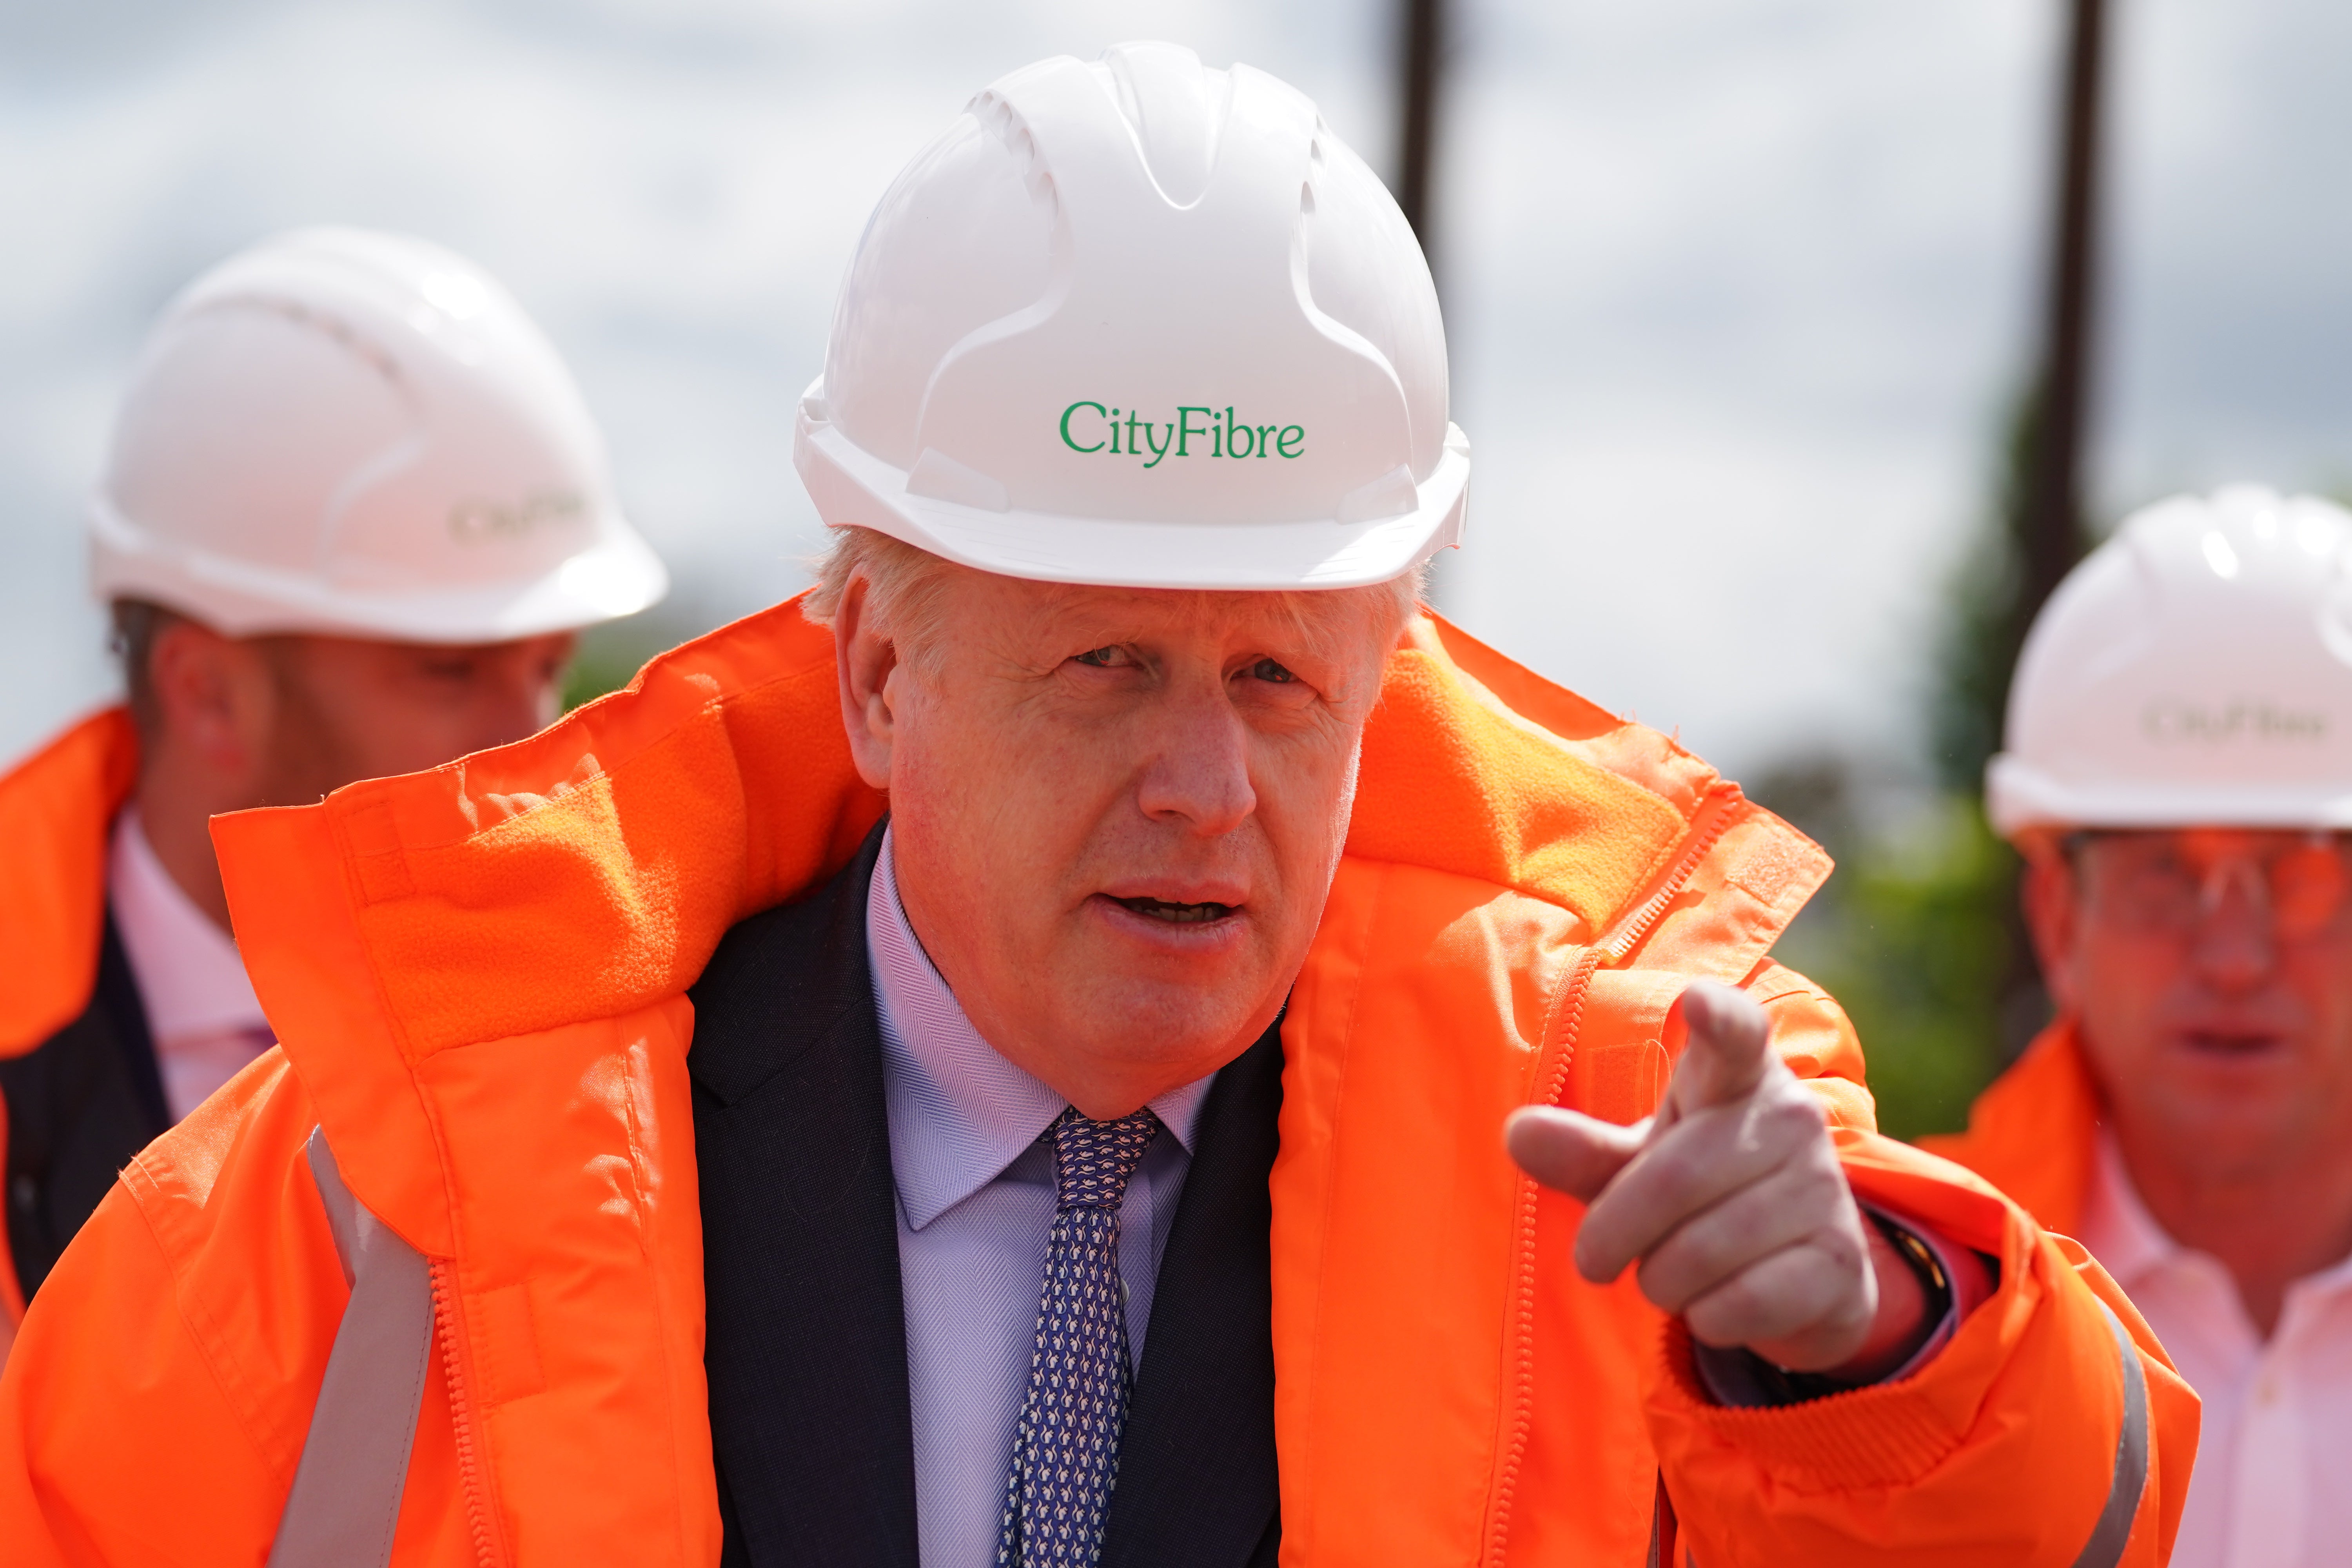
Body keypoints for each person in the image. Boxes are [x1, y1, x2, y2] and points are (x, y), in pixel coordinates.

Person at [0, 46, 2190, 1567]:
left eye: (1278, 679)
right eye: (1107, 668)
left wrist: (1872, 1350)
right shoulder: (375, 1190)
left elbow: (2071, 1514)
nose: (1208, 788)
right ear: (875, 669)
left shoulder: (1656, 1157)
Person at [0, 228, 667, 1357]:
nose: (533, 757)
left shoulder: (653, 1012)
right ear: (209, 694)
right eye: (447, 672)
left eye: (548, 667)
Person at [1927, 484, 2352, 1568]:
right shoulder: (1918, 1314)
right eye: (2169, 874)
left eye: (2301, 877)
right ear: (2058, 917)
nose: (2236, 958)